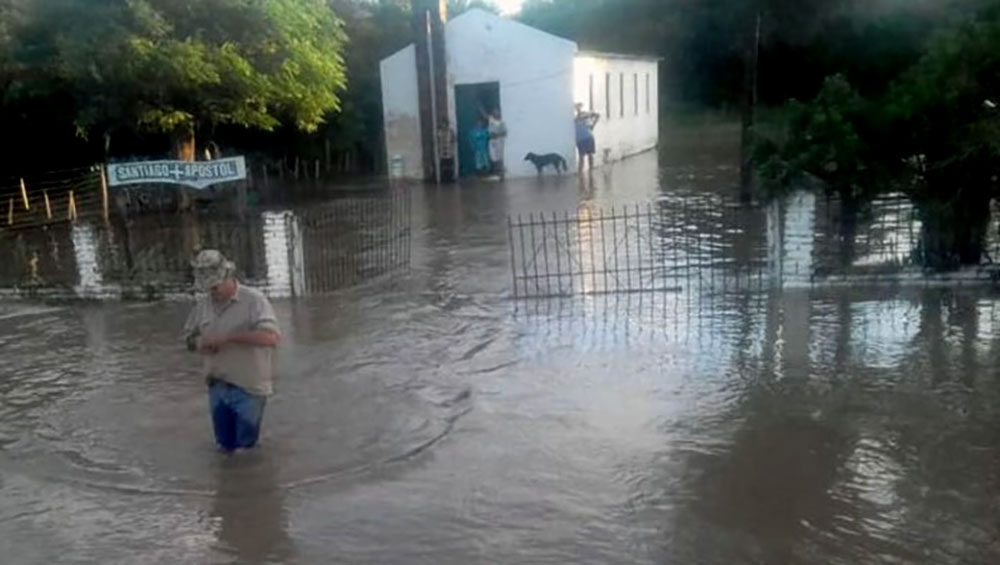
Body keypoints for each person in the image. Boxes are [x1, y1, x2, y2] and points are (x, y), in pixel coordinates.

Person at [183, 249, 281, 453]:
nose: (211, 292)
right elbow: (188, 340)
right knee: (224, 450)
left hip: (249, 388)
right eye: (207, 288)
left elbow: (271, 338)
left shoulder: (254, 300)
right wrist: (199, 343)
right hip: (217, 386)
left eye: (215, 286)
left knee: (246, 452)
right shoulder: (203, 305)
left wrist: (228, 338)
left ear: (229, 276)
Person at [575, 103, 599, 172]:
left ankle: (591, 171)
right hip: (580, 139)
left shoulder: (585, 114)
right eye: (577, 108)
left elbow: (597, 115)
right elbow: (577, 119)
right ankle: (580, 172)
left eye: (579, 107)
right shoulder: (574, 116)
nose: (578, 109)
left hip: (588, 137)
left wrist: (593, 125)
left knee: (590, 155)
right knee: (581, 157)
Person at [487, 109, 507, 179]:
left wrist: (497, 135)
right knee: (493, 157)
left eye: (497, 113)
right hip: (492, 142)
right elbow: (485, 115)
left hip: (499, 142)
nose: (496, 114)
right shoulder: (491, 121)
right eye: (494, 113)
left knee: (499, 158)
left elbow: (504, 133)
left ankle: (500, 173)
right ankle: (496, 172)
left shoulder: (502, 123)